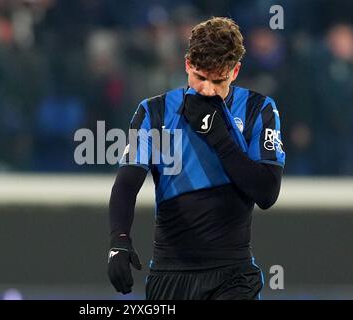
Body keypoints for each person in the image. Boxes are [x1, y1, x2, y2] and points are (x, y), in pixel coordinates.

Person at [107, 17, 285, 300]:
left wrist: (219, 136)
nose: (208, 90)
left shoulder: (258, 109)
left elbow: (266, 192)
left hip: (233, 274)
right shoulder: (154, 112)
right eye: (201, 77)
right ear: (188, 64)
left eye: (218, 80)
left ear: (235, 71)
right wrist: (119, 240)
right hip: (170, 275)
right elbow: (127, 182)